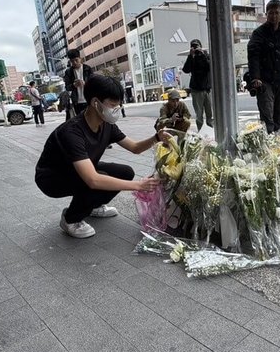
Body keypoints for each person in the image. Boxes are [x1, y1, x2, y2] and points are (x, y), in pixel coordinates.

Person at [35, 74, 169, 238]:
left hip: (78, 169)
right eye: (112, 104)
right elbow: (92, 179)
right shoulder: (72, 132)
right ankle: (70, 219)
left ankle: (93, 205)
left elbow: (134, 147)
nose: (116, 109)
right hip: (52, 178)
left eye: (118, 105)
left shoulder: (106, 125)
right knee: (96, 180)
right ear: (95, 103)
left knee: (125, 172)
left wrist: (156, 138)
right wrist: (138, 186)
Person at [247, 0, 280, 134]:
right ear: (266, 14)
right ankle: (268, 143)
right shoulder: (259, 33)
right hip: (264, 80)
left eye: (277, 13)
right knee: (266, 114)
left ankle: (277, 141)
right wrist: (256, 77)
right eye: (271, 13)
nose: (274, 16)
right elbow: (253, 56)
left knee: (279, 114)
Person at [182, 39, 213, 131]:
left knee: (209, 113)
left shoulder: (205, 55)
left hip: (207, 89)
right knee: (199, 115)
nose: (195, 48)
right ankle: (201, 131)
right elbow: (186, 70)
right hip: (196, 90)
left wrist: (203, 54)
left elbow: (210, 66)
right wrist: (191, 56)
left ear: (201, 46)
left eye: (197, 46)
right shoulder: (192, 57)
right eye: (193, 46)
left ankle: (211, 131)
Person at [64, 49, 92, 116]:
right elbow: (67, 87)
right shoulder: (68, 72)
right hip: (76, 102)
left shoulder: (87, 69)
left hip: (88, 100)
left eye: (76, 60)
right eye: (72, 61)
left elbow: (93, 83)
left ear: (80, 58)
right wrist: (74, 85)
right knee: (80, 122)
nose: (74, 62)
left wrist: (85, 83)